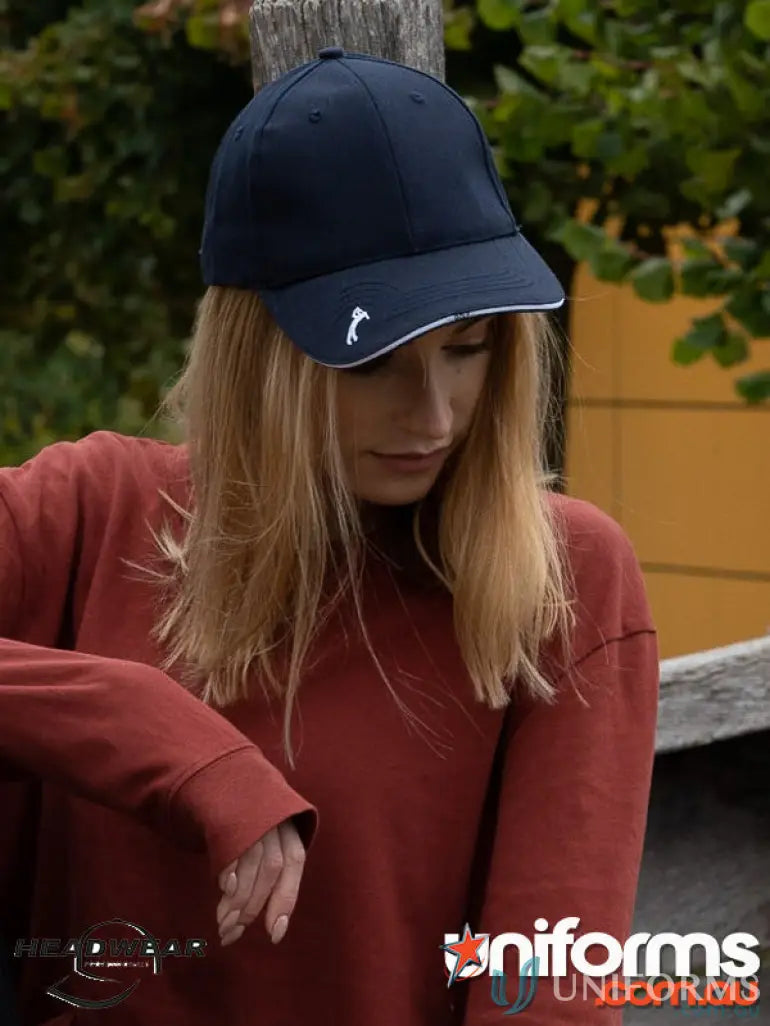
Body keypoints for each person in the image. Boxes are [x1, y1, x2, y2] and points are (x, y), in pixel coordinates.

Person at [0, 47, 659, 1026]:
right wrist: (169, 745)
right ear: (253, 348)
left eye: (467, 350)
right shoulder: (93, 511)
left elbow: (546, 996)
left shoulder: (560, 581)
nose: (432, 415)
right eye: (374, 364)